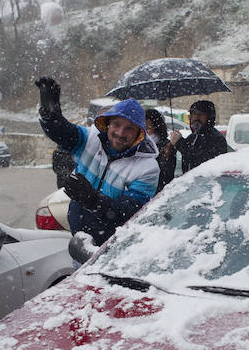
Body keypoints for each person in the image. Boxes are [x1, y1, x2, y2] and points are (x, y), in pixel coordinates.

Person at [35, 76, 159, 246]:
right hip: (79, 237)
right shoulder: (90, 138)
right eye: (116, 124)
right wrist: (51, 116)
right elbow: (63, 133)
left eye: (129, 128)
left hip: (114, 248)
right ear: (107, 124)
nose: (120, 133)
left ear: (140, 134)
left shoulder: (148, 168)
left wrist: (95, 201)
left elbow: (132, 212)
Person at [165, 100, 227, 174]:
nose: (196, 118)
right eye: (194, 114)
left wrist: (179, 142)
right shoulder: (191, 138)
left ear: (209, 118)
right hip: (189, 182)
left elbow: (200, 160)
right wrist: (171, 147)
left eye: (201, 114)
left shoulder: (216, 139)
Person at [146, 108, 175, 192]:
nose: (145, 132)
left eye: (148, 128)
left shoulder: (167, 146)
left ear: (157, 127)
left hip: (157, 193)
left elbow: (165, 176)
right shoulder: (139, 145)